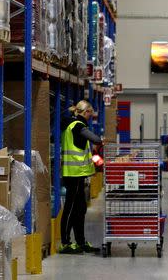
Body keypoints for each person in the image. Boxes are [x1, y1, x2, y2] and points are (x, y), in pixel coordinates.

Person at [59, 99, 103, 254]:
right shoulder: (78, 125)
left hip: (78, 173)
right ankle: (65, 243)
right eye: (90, 113)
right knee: (71, 208)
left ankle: (80, 241)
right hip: (73, 173)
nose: (91, 116)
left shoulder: (71, 125)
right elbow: (96, 139)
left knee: (80, 208)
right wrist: (100, 141)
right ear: (86, 112)